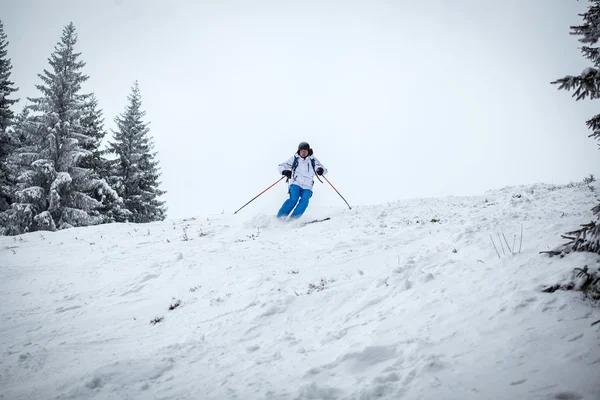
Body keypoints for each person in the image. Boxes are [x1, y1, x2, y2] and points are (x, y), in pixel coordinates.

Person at [277, 142, 327, 219]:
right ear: (299, 151)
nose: (303, 153)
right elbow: (281, 166)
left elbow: (323, 169)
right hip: (296, 182)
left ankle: (293, 219)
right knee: (293, 199)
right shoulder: (295, 159)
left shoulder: (313, 160)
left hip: (308, 185)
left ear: (308, 151)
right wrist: (284, 171)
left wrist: (320, 170)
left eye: (305, 151)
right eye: (302, 151)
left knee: (305, 201)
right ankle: (280, 218)